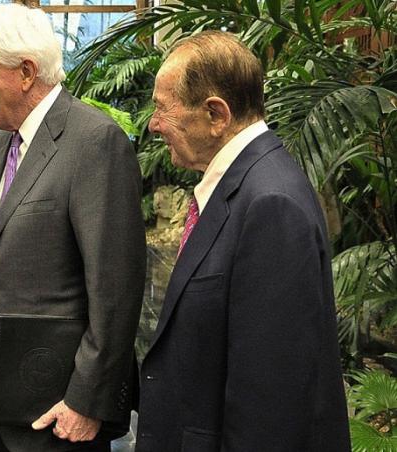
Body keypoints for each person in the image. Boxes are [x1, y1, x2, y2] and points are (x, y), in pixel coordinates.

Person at [0, 4, 147, 451]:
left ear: (26, 71)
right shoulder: (1, 141)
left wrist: (87, 400)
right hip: (1, 396)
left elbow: (116, 288)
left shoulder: (94, 142)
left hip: (60, 404)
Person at [136, 31, 350, 451]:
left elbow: (271, 400)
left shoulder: (271, 202)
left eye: (163, 108)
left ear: (216, 114)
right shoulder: (244, 184)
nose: (153, 124)